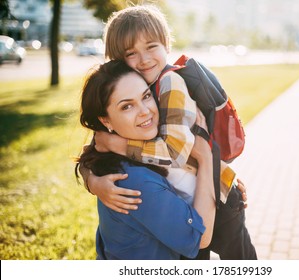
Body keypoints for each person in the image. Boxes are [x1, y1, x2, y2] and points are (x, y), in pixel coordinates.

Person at [80, 4, 257, 260]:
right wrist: (94, 183)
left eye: (151, 47)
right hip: (189, 202)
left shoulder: (170, 83)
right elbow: (92, 152)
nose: (144, 59)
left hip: (218, 198)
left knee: (241, 262)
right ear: (117, 60)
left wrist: (120, 145)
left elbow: (174, 151)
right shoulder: (138, 88)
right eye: (131, 53)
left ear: (167, 46)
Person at [76, 60, 216, 259]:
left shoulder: (124, 150)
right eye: (127, 107)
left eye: (146, 96)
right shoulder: (135, 181)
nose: (145, 111)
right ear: (105, 120)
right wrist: (206, 160)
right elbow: (200, 238)